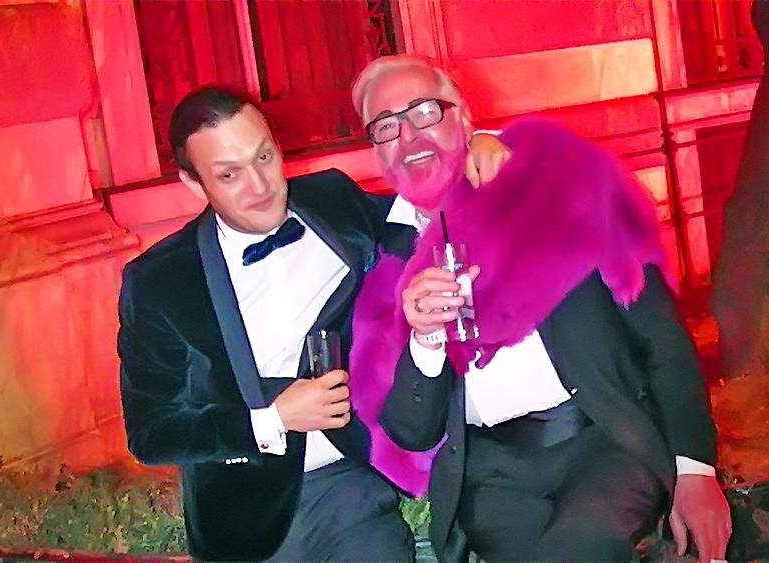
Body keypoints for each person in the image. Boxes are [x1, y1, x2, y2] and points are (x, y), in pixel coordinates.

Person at [348, 55, 733, 562]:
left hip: (602, 439)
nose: (408, 135)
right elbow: (411, 430)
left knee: (580, 546)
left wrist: (695, 468)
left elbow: (660, 335)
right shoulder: (383, 258)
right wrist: (426, 340)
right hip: (491, 477)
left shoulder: (556, 188)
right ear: (376, 149)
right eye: (386, 126)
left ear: (464, 116)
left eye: (424, 112)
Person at [116, 85, 508, 561]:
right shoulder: (160, 282)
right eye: (229, 174)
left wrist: (481, 143)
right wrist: (272, 420)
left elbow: (419, 210)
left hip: (349, 489)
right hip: (246, 512)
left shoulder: (331, 202)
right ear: (195, 184)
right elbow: (151, 432)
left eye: (263, 157)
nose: (259, 186)